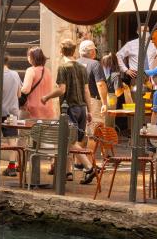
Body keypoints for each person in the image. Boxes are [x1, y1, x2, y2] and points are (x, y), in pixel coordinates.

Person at [43, 40, 93, 180]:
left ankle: (89, 167)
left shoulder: (63, 67)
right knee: (70, 141)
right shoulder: (82, 68)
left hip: (70, 108)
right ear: (74, 51)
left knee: (70, 140)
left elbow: (62, 90)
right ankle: (68, 172)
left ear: (61, 51)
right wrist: (89, 111)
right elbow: (86, 90)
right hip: (82, 108)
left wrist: (46, 97)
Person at [0, 62, 22, 176]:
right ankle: (12, 167)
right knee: (12, 140)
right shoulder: (15, 74)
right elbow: (19, 94)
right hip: (12, 112)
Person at [20, 46, 56, 120]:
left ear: (32, 58)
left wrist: (18, 89)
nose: (28, 57)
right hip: (48, 109)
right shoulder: (48, 71)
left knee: (29, 128)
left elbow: (25, 90)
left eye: (29, 56)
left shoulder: (31, 70)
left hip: (33, 110)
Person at [101, 53, 134, 135]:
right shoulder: (116, 75)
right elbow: (118, 93)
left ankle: (103, 138)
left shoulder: (101, 73)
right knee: (109, 122)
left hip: (102, 97)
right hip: (111, 98)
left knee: (103, 121)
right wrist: (124, 88)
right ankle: (108, 139)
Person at [76, 39, 106, 123]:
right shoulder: (95, 64)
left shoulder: (74, 63)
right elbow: (100, 84)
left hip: (76, 103)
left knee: (79, 128)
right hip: (92, 102)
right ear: (92, 51)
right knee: (94, 127)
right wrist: (104, 103)